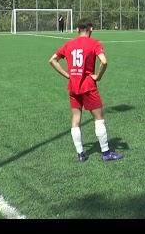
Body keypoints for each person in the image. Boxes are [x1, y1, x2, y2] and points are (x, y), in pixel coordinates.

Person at [48, 20, 124, 162]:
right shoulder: (94, 43)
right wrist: (98, 76)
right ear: (91, 29)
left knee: (76, 120)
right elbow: (104, 61)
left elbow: (52, 60)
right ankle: (106, 153)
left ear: (77, 29)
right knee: (98, 119)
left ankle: (81, 154)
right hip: (88, 86)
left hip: (73, 86)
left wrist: (68, 75)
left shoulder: (69, 44)